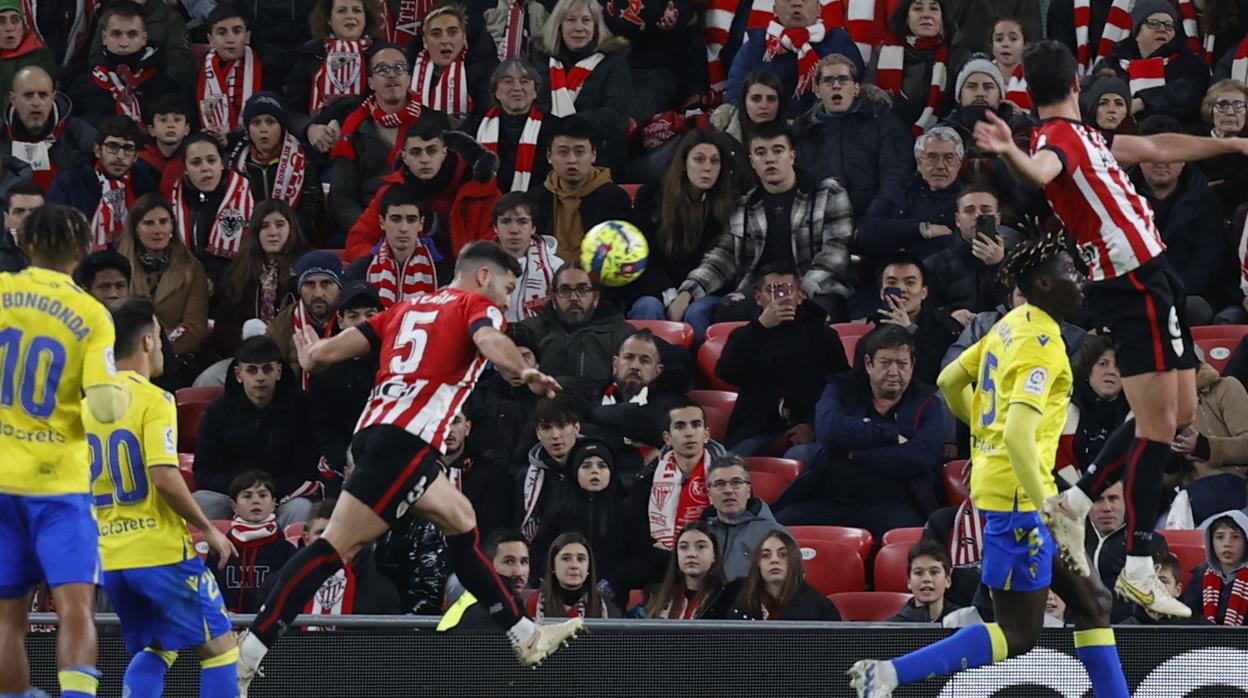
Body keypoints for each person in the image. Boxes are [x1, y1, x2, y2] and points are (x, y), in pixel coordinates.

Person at [235, 241, 584, 694]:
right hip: (406, 443)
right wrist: (523, 370)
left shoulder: (406, 307)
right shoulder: (475, 306)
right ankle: (249, 652)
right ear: (483, 276)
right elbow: (489, 339)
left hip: (381, 436)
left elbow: (331, 351)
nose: (506, 298)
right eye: (507, 286)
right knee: (331, 550)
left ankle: (525, 636)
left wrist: (312, 356)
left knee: (462, 522)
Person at [975, 39, 1248, 615]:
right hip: (1129, 286)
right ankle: (1140, 567)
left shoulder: (1091, 137)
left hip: (1156, 278)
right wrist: (1011, 153)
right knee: (1154, 430)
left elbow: (1155, 144)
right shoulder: (1056, 139)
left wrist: (1229, 143)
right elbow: (1042, 168)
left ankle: (1074, 496)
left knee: (1179, 414)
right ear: (1076, 84)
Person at [849, 233, 1130, 698]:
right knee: (1018, 634)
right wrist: (1050, 508)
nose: (1078, 279)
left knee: (1094, 605)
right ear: (1041, 282)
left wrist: (987, 443)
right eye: (1067, 270)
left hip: (1016, 489)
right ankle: (889, 673)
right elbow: (1019, 434)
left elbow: (949, 379)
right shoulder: (1043, 345)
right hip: (1026, 502)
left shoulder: (1009, 324)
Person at [0, 206, 126, 698]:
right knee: (75, 607)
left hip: (2, 479)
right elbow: (106, 407)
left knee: (9, 618)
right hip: (58, 485)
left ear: (25, 244)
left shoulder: (3, 292)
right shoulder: (92, 314)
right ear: (81, 250)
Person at [86, 298, 240, 697]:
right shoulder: (154, 399)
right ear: (149, 341)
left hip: (113, 559)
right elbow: (164, 477)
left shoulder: (85, 407)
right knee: (223, 650)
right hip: (159, 552)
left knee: (159, 647)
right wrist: (209, 528)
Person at [669, 120, 853, 339]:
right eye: (760, 152)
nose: (770, 159)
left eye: (778, 150)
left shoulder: (827, 193)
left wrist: (800, 291)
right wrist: (688, 290)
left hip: (816, 291)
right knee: (722, 311)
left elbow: (835, 253)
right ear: (752, 162)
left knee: (812, 318)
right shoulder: (744, 205)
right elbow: (723, 257)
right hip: (759, 294)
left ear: (792, 156)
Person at [773, 325, 946, 541]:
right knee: (778, 528)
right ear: (868, 364)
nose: (894, 372)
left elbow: (922, 457)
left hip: (893, 506)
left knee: (910, 538)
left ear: (912, 366)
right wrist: (889, 436)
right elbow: (830, 432)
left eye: (902, 364)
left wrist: (855, 453)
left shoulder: (927, 401)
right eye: (885, 363)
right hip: (829, 500)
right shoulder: (841, 388)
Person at [715, 265, 849, 456]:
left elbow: (840, 386)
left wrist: (812, 424)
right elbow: (726, 373)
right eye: (771, 291)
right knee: (729, 462)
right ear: (758, 298)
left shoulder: (824, 336)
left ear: (801, 296)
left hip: (810, 429)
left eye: (787, 290)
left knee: (798, 455)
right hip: (755, 430)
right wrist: (759, 328)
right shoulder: (745, 335)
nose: (781, 298)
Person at [191, 335, 321, 528]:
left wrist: (266, 493)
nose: (260, 377)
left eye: (267, 369)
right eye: (251, 370)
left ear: (278, 371)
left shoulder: (302, 408)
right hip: (232, 496)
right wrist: (244, 491)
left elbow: (306, 470)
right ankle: (212, 558)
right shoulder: (217, 412)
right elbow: (203, 472)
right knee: (200, 501)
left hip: (282, 497)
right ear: (238, 374)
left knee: (302, 509)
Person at [342, 117, 500, 271]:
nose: (424, 159)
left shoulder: (481, 191)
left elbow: (495, 249)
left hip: (466, 281)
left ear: (444, 153)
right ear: (405, 157)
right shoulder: (389, 194)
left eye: (431, 151)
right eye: (416, 152)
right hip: (406, 278)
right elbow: (358, 242)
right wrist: (388, 265)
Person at [627, 129, 739, 322]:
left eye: (714, 161)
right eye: (699, 159)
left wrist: (688, 294)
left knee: (697, 313)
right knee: (648, 307)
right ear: (684, 163)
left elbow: (721, 261)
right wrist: (670, 294)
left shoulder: (730, 205)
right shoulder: (652, 195)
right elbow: (641, 254)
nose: (707, 168)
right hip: (657, 288)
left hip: (706, 290)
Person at [793, 53, 914, 223]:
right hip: (823, 229)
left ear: (856, 88)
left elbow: (895, 177)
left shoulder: (884, 123)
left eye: (843, 79)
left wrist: (872, 221)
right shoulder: (803, 134)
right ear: (817, 90)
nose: (836, 86)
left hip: (874, 227)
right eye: (828, 80)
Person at [1127, 115, 1226, 316]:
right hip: (1130, 294)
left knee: (1196, 308)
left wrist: (1167, 293)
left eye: (1171, 153)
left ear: (1184, 159)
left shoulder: (1204, 200)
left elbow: (1207, 262)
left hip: (1186, 294)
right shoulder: (1118, 197)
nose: (1162, 161)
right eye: (1152, 152)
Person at [530, 438, 651, 597]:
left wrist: (614, 582)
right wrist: (558, 577)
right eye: (586, 466)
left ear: (611, 473)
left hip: (613, 599)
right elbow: (537, 553)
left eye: (602, 465)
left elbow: (643, 558)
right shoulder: (558, 512)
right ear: (575, 472)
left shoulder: (628, 513)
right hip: (561, 599)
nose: (595, 471)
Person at [534, 0, 633, 172]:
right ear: (559, 25)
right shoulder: (539, 60)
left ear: (596, 26)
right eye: (571, 20)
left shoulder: (613, 61)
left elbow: (616, 115)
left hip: (599, 155)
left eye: (586, 20)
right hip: (545, 155)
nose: (578, 27)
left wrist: (568, 126)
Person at [520, 261, 636, 405]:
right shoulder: (529, 332)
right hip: (540, 415)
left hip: (597, 416)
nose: (574, 297)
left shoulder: (622, 334)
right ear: (553, 297)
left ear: (596, 297)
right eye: (564, 290)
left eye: (582, 289)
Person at [725, 0, 863, 119]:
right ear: (775, 10)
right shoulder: (756, 45)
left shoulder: (840, 43)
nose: (797, 4)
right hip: (769, 131)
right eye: (787, 0)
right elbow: (736, 94)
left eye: (805, 0)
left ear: (819, 9)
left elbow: (857, 91)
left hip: (825, 127)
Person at [307, 281, 383, 493]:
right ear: (340, 320)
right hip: (342, 463)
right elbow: (322, 426)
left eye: (370, 314)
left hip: (389, 455)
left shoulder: (396, 360)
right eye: (353, 315)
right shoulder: (325, 366)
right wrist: (348, 458)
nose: (362, 322)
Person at [115, 193, 212, 358]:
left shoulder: (192, 268)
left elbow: (194, 327)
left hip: (175, 356)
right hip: (126, 355)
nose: (158, 230)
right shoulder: (117, 267)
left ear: (172, 227)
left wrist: (161, 352)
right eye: (148, 223)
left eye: (163, 222)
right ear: (135, 229)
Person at [47, 115, 159, 252]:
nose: (120, 156)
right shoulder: (69, 182)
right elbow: (52, 230)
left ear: (136, 156)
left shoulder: (146, 182)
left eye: (128, 149)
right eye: (112, 146)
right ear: (98, 150)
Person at [213, 200, 310, 357]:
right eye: (265, 226)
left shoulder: (306, 268)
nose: (273, 232)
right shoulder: (238, 272)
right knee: (206, 379)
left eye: (279, 225)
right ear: (255, 232)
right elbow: (222, 326)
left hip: (295, 357)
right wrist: (243, 334)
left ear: (291, 229)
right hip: (246, 357)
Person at [1090, 0, 1210, 126]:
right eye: (1153, 24)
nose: (1162, 29)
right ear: (1136, 33)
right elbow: (1090, 95)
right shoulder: (1112, 63)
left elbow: (1189, 93)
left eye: (1169, 25)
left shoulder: (1191, 64)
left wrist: (1143, 101)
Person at [532, 115, 632, 262]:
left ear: (593, 155)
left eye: (579, 152)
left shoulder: (614, 198)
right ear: (549, 156)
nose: (572, 160)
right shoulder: (535, 198)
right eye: (563, 152)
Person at [858, 126, 964, 262]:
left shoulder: (971, 197)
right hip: (893, 273)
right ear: (919, 162)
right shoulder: (898, 191)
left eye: (948, 158)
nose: (940, 165)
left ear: (958, 164)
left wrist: (902, 240)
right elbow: (867, 232)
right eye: (932, 157)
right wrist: (922, 229)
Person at [168, 133, 258, 286]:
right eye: (196, 163)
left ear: (222, 163)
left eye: (211, 160)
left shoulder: (250, 196)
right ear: (185, 169)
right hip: (187, 284)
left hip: (239, 285)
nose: (205, 168)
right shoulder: (173, 202)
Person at [69, 1, 181, 123]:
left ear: (144, 38)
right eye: (116, 34)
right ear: (104, 38)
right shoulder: (83, 86)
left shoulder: (165, 87)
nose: (124, 43)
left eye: (132, 35)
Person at [285, 0, 384, 137]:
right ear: (328, 19)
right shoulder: (309, 54)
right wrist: (309, 128)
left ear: (366, 18)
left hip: (368, 139)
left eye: (357, 10)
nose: (350, 16)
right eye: (342, 10)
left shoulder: (383, 53)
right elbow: (292, 110)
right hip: (319, 142)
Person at [231, 92, 323, 239]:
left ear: (282, 127)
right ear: (248, 129)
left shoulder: (302, 161)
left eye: (270, 122)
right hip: (249, 243)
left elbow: (312, 215)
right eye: (256, 122)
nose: (263, 129)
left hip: (294, 243)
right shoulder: (238, 164)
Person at [206, 470, 299, 613]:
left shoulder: (286, 550)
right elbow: (208, 592)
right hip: (225, 628)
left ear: (274, 504)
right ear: (234, 506)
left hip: (266, 629)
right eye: (247, 496)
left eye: (263, 495)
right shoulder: (220, 547)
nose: (256, 501)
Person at [922, 185, 1017, 320]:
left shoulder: (1017, 261)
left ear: (998, 218)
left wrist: (998, 265)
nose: (978, 216)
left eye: (985, 210)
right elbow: (924, 312)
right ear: (957, 220)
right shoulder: (934, 265)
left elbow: (1019, 309)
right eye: (969, 210)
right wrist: (949, 316)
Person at [869, 254, 962, 386]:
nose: (901, 289)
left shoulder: (946, 329)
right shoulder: (871, 332)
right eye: (892, 283)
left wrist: (910, 331)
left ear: (924, 292)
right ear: (881, 292)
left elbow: (942, 377)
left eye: (910, 282)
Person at [867, 0, 957, 135]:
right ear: (906, 19)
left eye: (933, 9)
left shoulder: (957, 55)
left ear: (942, 19)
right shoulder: (882, 52)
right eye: (918, 9)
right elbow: (868, 100)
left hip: (943, 139)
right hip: (889, 136)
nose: (926, 15)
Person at [1084, 481, 1169, 623]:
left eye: (1113, 499)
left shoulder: (1148, 542)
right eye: (1098, 499)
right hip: (1074, 629)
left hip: (1130, 633)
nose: (1107, 508)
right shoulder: (1070, 539)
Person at [465, 58, 554, 194]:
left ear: (535, 91)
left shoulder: (556, 129)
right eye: (508, 81)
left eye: (524, 81)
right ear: (495, 91)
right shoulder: (473, 129)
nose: (517, 88)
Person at [303, 499, 403, 618]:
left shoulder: (382, 591)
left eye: (338, 532)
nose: (330, 539)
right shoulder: (281, 585)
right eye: (321, 533)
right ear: (306, 538)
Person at [1, 66, 96, 191]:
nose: (36, 102)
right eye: (28, 95)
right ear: (13, 99)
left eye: (43, 95)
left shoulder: (78, 134)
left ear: (52, 98)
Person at [640, 400, 717, 552]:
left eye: (696, 425)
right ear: (667, 438)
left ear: (706, 434)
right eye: (680, 426)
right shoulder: (646, 481)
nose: (689, 433)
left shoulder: (725, 479)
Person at [346, 184, 437, 306]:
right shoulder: (358, 272)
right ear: (382, 222)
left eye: (411, 220)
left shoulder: (441, 272)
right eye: (396, 219)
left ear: (421, 224)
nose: (404, 228)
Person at [408, 2, 497, 126]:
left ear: (464, 37)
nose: (445, 40)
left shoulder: (484, 70)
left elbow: (487, 117)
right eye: (436, 34)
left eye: (452, 32)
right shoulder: (407, 69)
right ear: (424, 41)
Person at [701, 455, 787, 583]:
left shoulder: (774, 534)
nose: (728, 490)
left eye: (736, 483)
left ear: (748, 491)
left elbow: (791, 585)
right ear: (709, 495)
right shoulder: (701, 534)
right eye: (719, 484)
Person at [1056, 335, 1129, 479]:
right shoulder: (1064, 401)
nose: (1111, 371)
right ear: (1089, 368)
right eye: (1103, 364)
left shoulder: (1134, 412)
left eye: (1119, 366)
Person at [730, 530, 842, 620]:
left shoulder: (820, 607)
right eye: (765, 555)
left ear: (794, 561)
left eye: (783, 554)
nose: (774, 560)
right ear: (757, 564)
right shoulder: (742, 602)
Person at [515, 394, 582, 541]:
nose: (555, 435)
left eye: (562, 426)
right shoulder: (525, 478)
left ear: (576, 427)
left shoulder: (598, 467)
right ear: (538, 433)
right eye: (546, 428)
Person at [436, 530, 532, 631]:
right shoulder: (487, 608)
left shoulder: (498, 600)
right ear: (488, 565)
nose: (519, 572)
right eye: (509, 562)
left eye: (524, 562)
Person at [87, 0, 193, 88]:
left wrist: (150, 83)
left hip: (157, 90)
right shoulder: (109, 15)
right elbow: (95, 58)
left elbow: (180, 63)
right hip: (109, 88)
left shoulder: (171, 18)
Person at [645, 522, 739, 619]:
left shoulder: (728, 598)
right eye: (683, 547)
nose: (691, 554)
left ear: (714, 555)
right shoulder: (657, 595)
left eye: (701, 547)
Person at [266, 250, 342, 369]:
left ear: (339, 288)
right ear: (299, 289)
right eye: (309, 284)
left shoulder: (352, 319)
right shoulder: (280, 328)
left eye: (326, 283)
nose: (318, 294)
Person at [493, 191, 561, 322]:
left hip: (542, 339)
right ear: (495, 227)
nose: (514, 230)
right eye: (506, 221)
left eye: (522, 222)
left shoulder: (555, 266)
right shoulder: (479, 265)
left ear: (533, 227)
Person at [197, 3, 261, 141]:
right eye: (222, 32)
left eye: (237, 31)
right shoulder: (197, 71)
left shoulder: (265, 69)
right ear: (211, 40)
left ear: (247, 36)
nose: (230, 39)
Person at [529, 531, 617, 618]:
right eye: (566, 559)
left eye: (581, 559)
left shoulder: (607, 609)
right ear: (553, 565)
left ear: (589, 566)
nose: (574, 565)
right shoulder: (531, 606)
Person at [1182, 509, 1248, 625]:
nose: (1227, 544)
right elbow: (1188, 615)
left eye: (1235, 537)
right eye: (1220, 537)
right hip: (1206, 641)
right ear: (1210, 542)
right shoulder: (1200, 576)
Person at [1194, 80, 1248, 219]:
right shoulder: (1192, 139)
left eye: (1239, 106)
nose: (1230, 112)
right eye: (1222, 105)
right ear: (1210, 111)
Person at [0, 0, 54, 116]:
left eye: (15, 20)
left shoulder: (40, 57)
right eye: (1, 21)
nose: (9, 27)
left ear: (23, 26)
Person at [887, 539, 961, 622]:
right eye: (918, 573)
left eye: (934, 572)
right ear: (909, 581)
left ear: (948, 580)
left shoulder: (963, 621)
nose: (926, 579)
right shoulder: (893, 627)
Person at [139, 94, 191, 194]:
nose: (170, 125)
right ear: (151, 130)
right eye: (163, 120)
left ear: (186, 129)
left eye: (177, 120)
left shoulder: (192, 159)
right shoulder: (141, 161)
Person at [0, 179, 42, 272]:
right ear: (7, 220)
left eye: (35, 211)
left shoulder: (66, 261)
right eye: (19, 211)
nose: (27, 218)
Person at [992, 17, 1031, 110]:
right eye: (999, 39)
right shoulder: (980, 75)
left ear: (1025, 46)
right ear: (992, 47)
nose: (1005, 44)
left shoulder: (1035, 78)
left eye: (1013, 39)